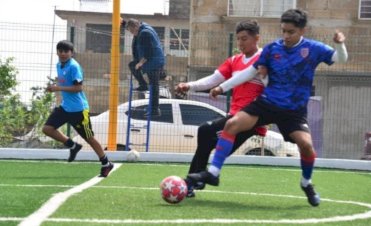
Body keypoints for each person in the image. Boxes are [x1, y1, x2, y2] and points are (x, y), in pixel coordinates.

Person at [187, 9, 348, 207]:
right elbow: (248, 72)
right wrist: (222, 87)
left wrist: (340, 45)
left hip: (294, 111)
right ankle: (213, 173)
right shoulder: (273, 49)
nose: (286, 36)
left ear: (302, 30)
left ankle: (306, 183)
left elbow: (340, 59)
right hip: (268, 103)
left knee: (306, 146)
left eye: (291, 32)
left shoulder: (313, 49)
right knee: (233, 123)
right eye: (284, 31)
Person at [176, 20, 268, 197]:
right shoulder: (234, 60)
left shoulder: (264, 60)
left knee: (206, 132)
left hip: (251, 119)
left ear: (257, 38)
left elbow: (271, 85)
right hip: (234, 117)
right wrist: (189, 85)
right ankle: (194, 181)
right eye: (239, 39)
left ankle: (194, 181)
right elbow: (213, 79)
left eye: (245, 39)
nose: (240, 43)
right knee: (206, 137)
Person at [42, 40, 114, 177]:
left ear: (71, 53)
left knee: (89, 138)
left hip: (79, 110)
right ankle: (73, 146)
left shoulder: (74, 66)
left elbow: (78, 88)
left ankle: (106, 163)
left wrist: (57, 88)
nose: (63, 54)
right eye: (60, 51)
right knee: (47, 129)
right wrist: (53, 87)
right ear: (57, 52)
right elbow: (64, 83)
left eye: (66, 51)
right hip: (65, 107)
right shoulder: (59, 65)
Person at [121, 18, 166, 117]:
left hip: (154, 62)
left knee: (154, 86)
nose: (132, 33)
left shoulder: (145, 34)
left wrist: (140, 63)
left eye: (132, 31)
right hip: (153, 60)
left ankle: (155, 109)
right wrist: (123, 23)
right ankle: (143, 84)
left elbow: (149, 53)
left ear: (136, 27)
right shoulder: (142, 27)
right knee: (132, 65)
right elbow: (131, 24)